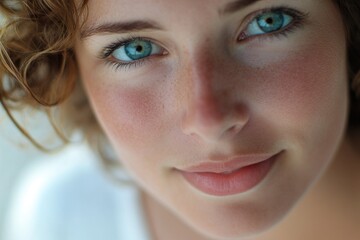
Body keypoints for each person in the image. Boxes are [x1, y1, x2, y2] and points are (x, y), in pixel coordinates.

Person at [1, 0, 360, 239]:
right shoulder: (64, 217)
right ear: (71, 67)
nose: (210, 122)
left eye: (268, 23)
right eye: (135, 48)